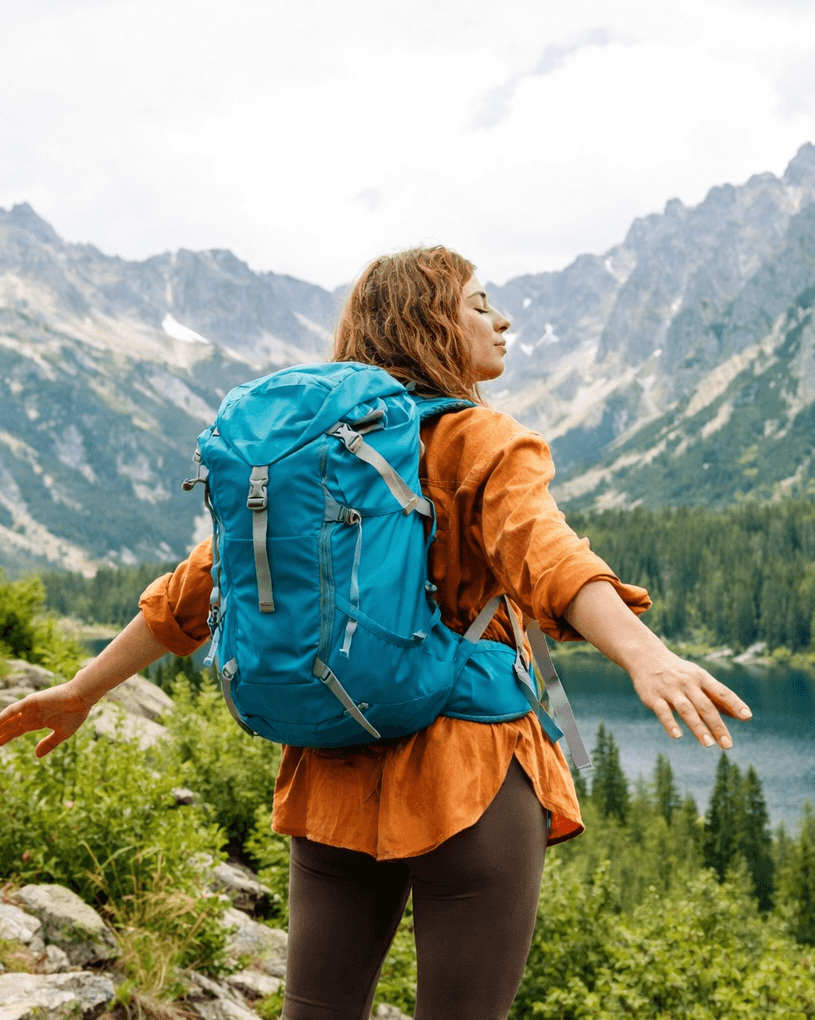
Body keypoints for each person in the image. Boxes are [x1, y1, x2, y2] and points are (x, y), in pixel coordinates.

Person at [0, 246, 752, 1020]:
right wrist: (645, 653)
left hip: (333, 769)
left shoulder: (314, 459)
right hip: (471, 771)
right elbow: (546, 554)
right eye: (479, 303)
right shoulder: (479, 440)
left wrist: (82, 689)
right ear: (431, 323)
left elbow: (193, 591)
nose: (502, 319)